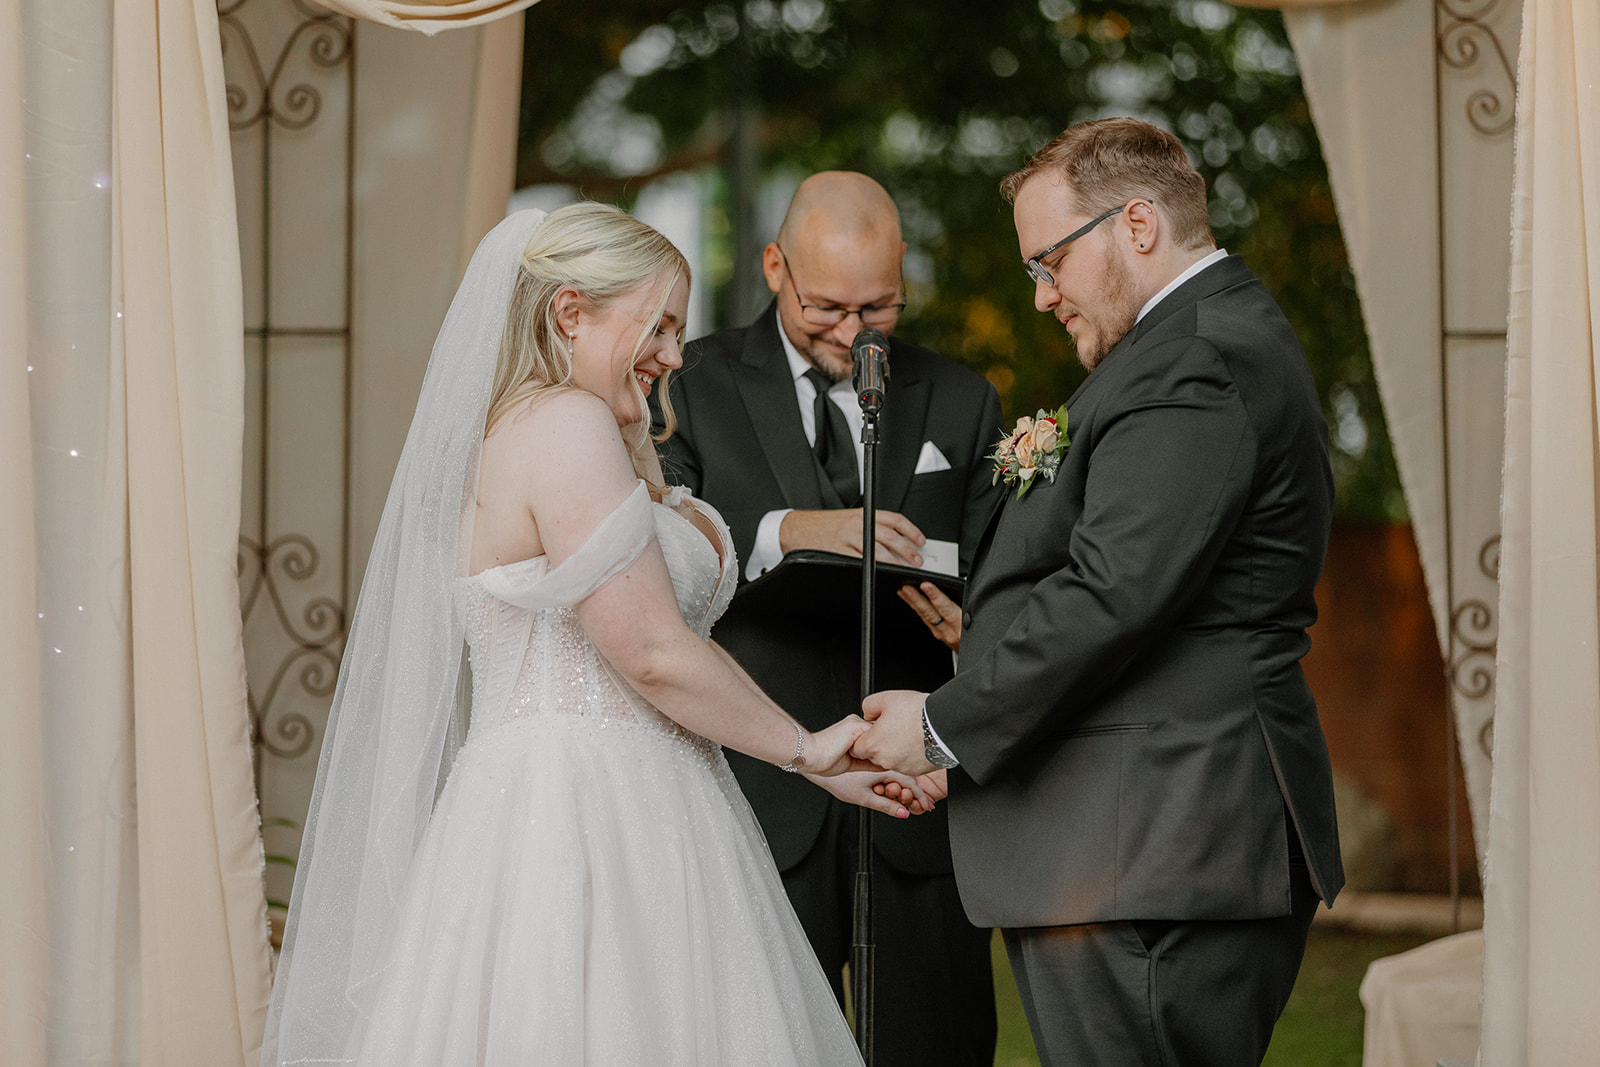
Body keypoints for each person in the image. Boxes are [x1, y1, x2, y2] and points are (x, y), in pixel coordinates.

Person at [259, 203, 938, 1066]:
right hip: (584, 818)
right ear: (569, 313)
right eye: (655, 325)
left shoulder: (553, 429)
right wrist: (807, 749)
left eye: (678, 331)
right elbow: (651, 652)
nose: (672, 355)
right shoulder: (563, 424)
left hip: (605, 798)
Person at [853, 118, 1345, 1067]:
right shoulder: (1186, 345)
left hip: (1152, 853)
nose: (1041, 297)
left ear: (1138, 224)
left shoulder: (1199, 357)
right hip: (1136, 850)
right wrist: (988, 626)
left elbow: (1113, 591)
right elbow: (1153, 577)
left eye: (1050, 263)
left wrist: (941, 724)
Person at [657, 172, 1003, 1064]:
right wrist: (794, 529)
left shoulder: (965, 401)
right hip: (764, 791)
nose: (853, 332)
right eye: (828, 307)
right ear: (775, 267)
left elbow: (1012, 573)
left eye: (878, 306)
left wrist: (978, 636)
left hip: (917, 801)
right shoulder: (690, 383)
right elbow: (649, 546)